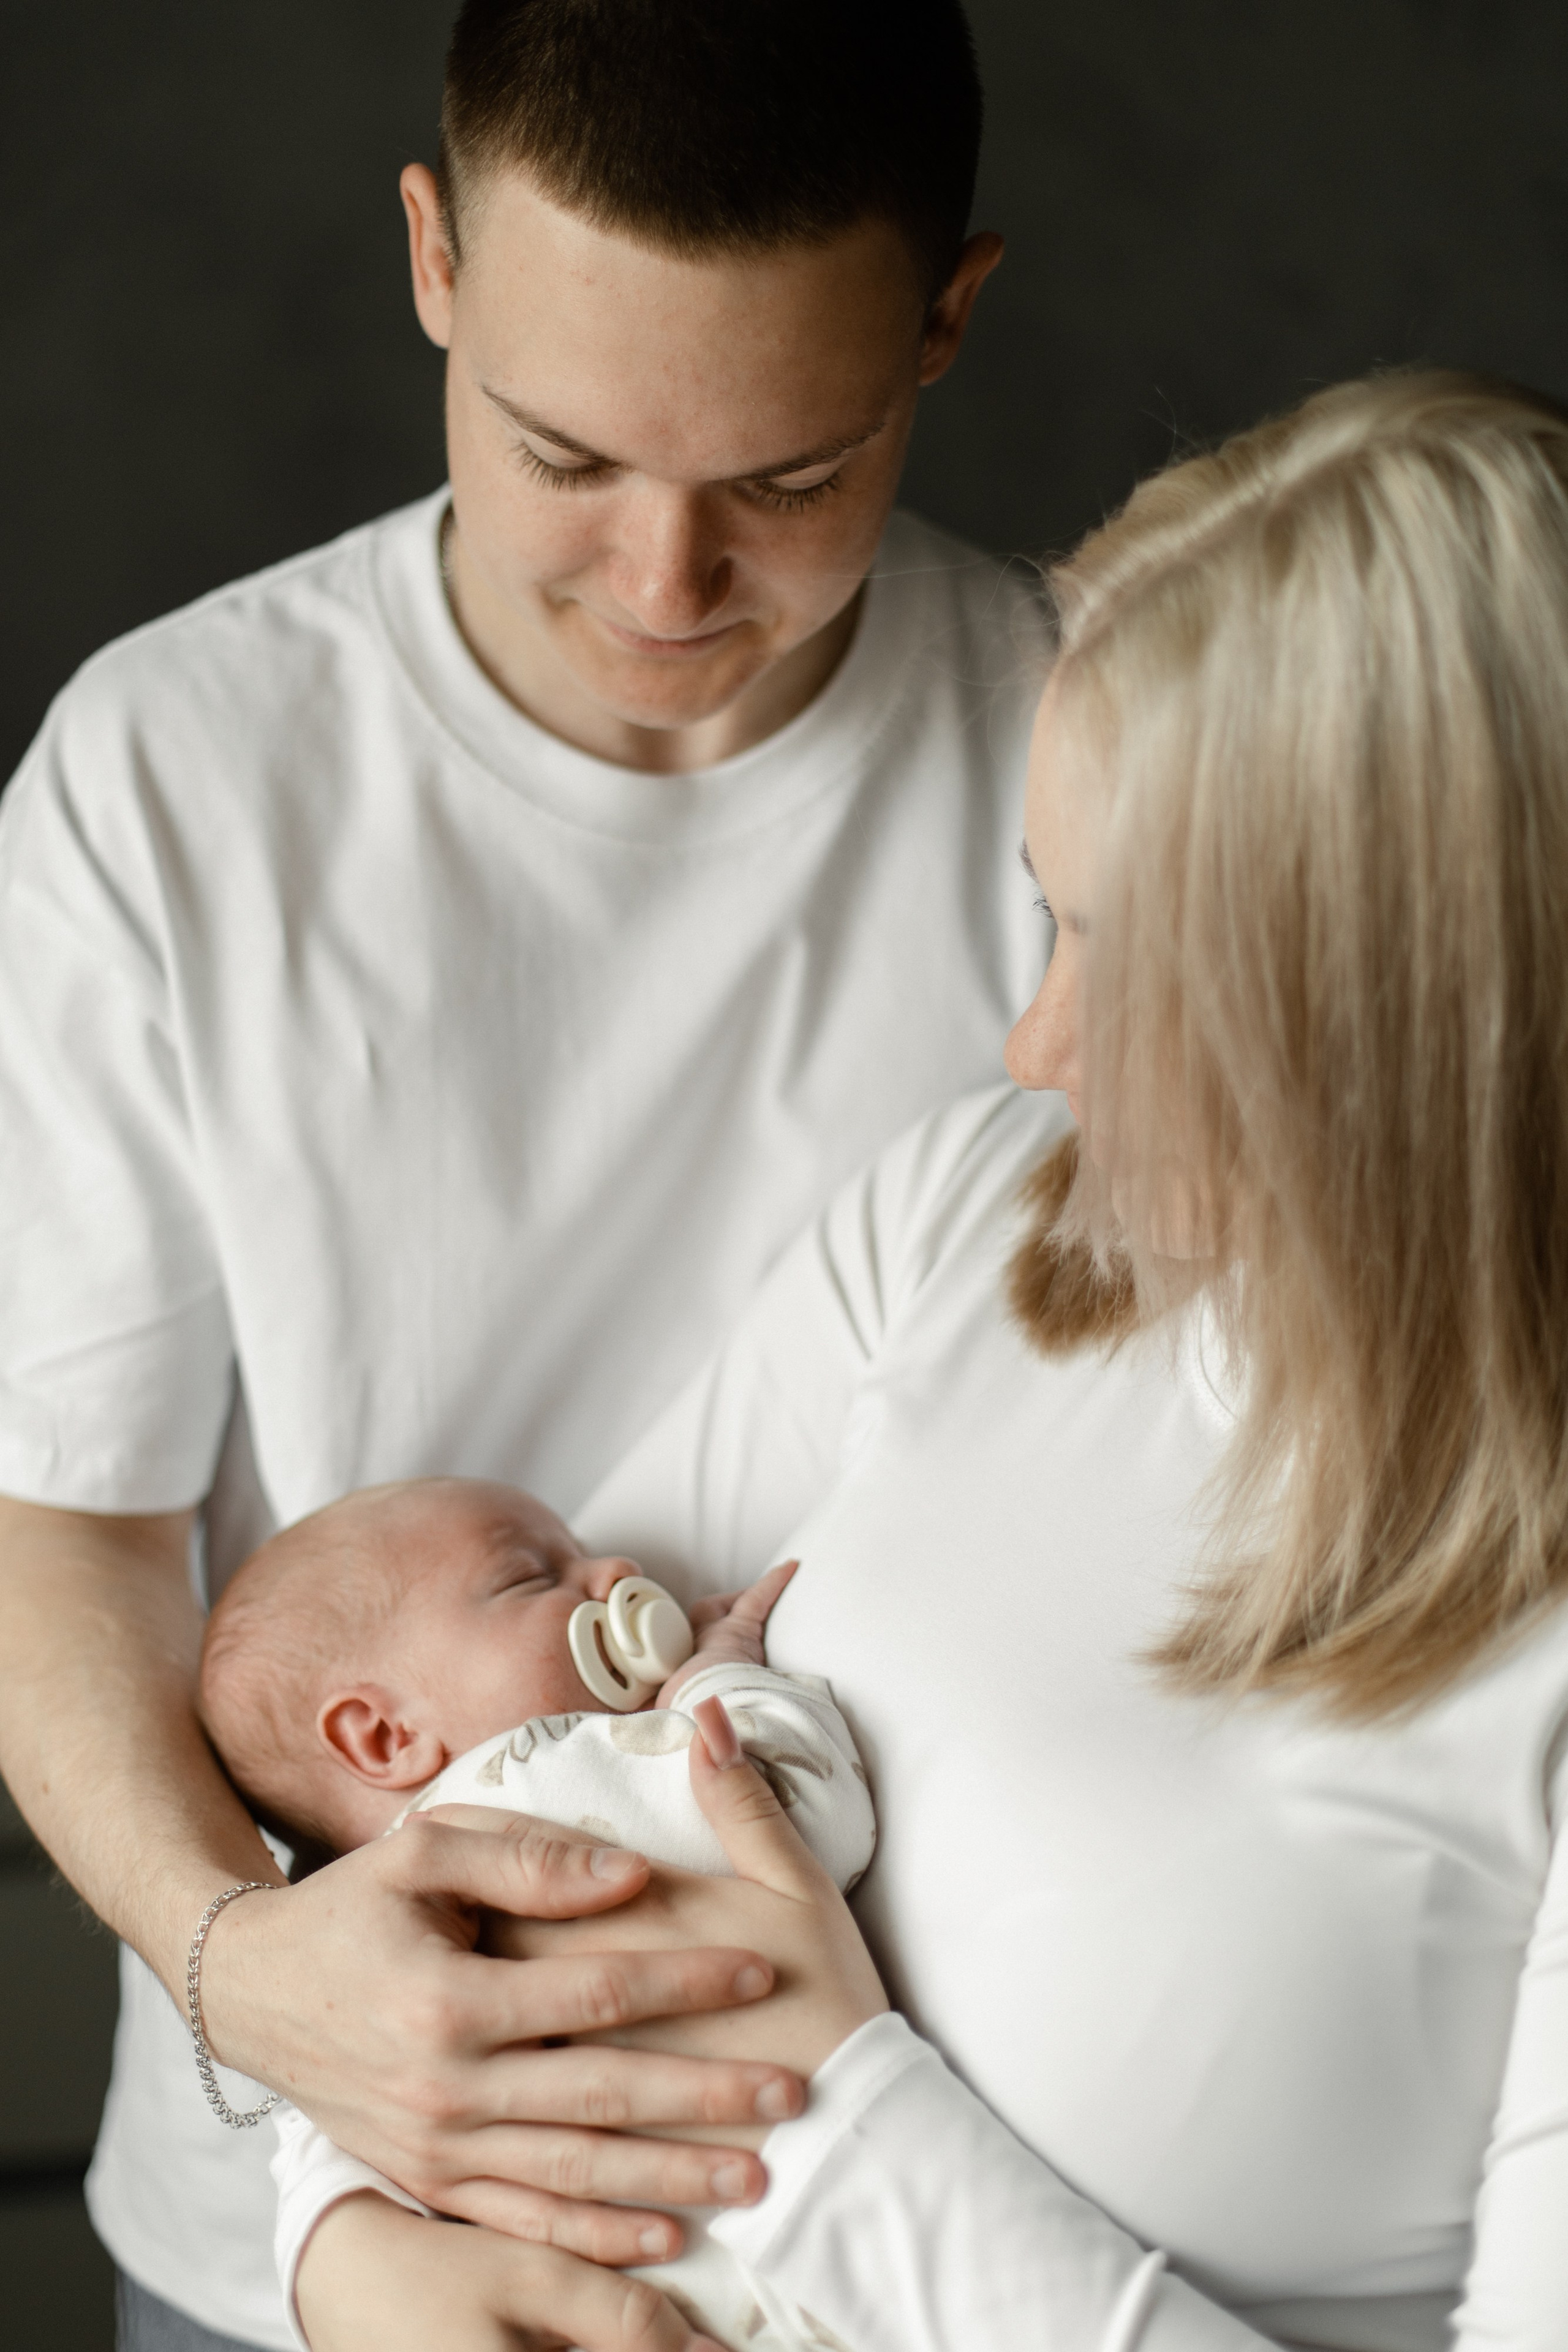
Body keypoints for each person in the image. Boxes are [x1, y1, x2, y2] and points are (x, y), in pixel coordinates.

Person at [298, 371, 1568, 2347]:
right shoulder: (973, 1219)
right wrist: (340, 2244)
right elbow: (469, 1802)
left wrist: (832, 2111)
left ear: (1440, 1014)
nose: (1037, 1049)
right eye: (1049, 917)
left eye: (1142, 960)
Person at [0, 3, 1046, 2346]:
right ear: (434, 261)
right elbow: (66, 1527)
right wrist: (247, 1970)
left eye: (793, 473)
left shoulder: (1101, 760)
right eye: (564, 452)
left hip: (908, 2206)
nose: (667, 578)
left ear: (946, 322)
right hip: (305, 2221)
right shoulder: (167, 779)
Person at [194, 1476, 876, 2352]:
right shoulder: (525, 1778)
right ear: (386, 1737)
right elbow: (807, 1815)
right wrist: (723, 1673)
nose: (619, 1570)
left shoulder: (356, 1987)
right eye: (531, 1577)